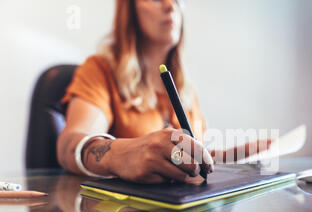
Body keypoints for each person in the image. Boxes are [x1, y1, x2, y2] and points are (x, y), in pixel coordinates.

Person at [57, 0, 270, 184]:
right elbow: (69, 146)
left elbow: (186, 157)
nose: (170, 6)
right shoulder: (99, 70)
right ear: (129, 10)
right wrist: (122, 155)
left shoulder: (185, 89)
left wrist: (227, 157)